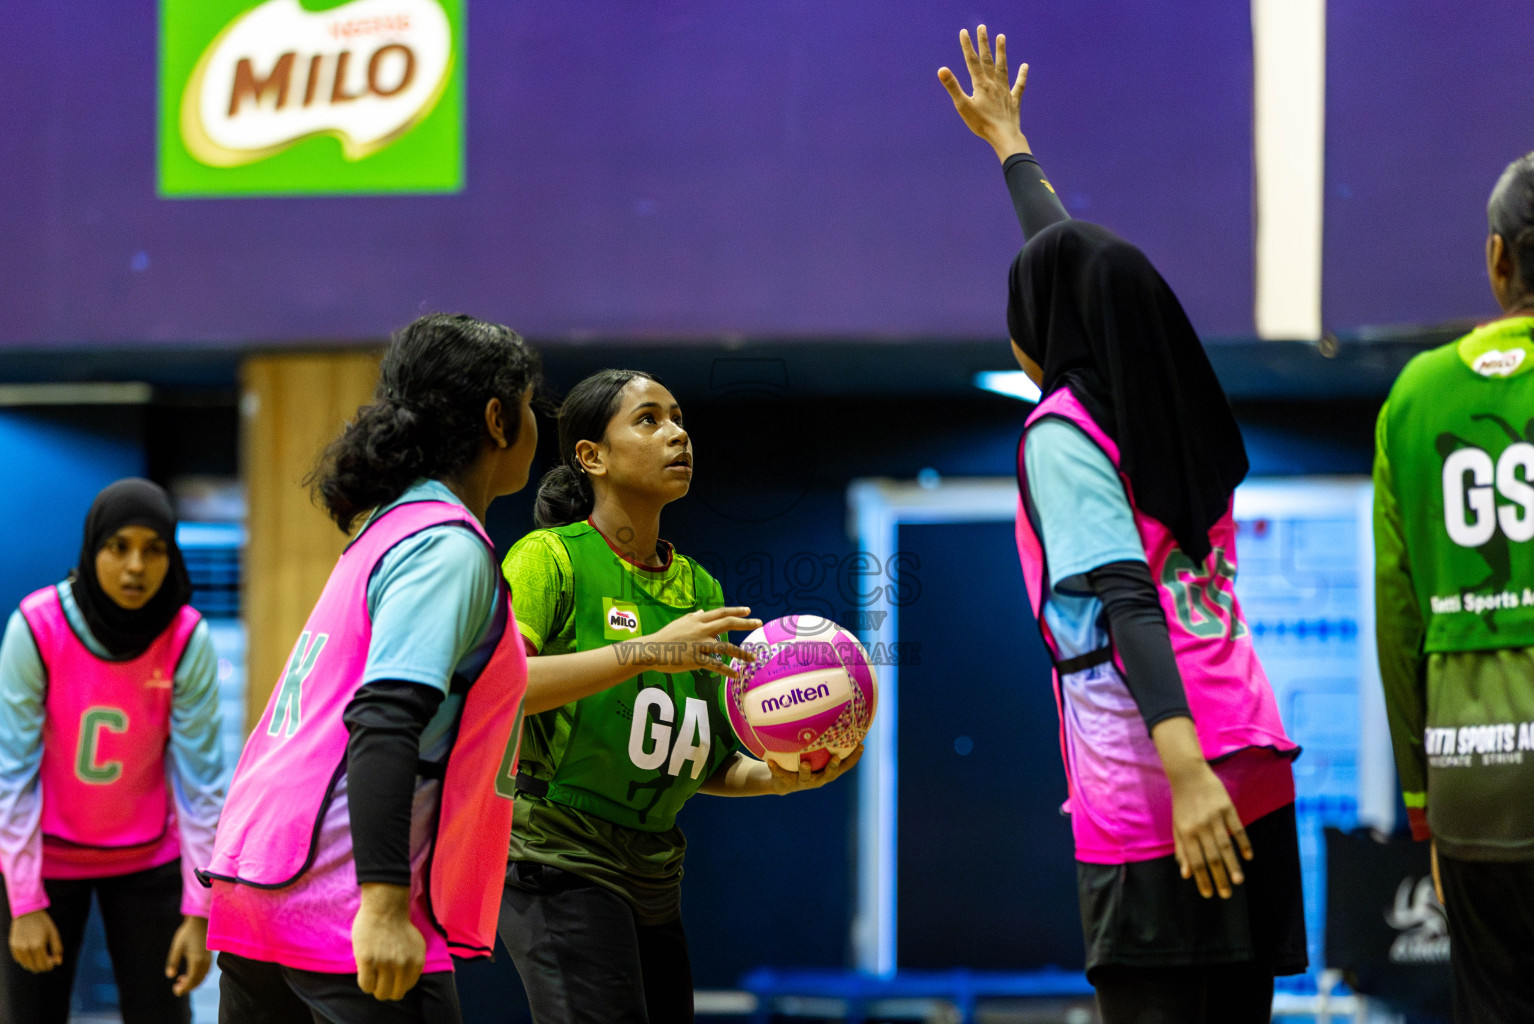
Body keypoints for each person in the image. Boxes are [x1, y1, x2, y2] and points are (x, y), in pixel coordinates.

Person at [940, 26, 1307, 1023]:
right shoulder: (1173, 405)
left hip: (1159, 786)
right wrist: (1012, 149)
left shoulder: (1061, 432)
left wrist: (1182, 775)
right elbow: (1084, 270)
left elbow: (1125, 599)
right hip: (1251, 756)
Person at [202, 313, 540, 1024]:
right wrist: (383, 906)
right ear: (497, 419)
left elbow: (479, 701)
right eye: (531, 403)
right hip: (340, 894)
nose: (538, 422)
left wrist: (640, 657)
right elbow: (385, 719)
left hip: (258, 874)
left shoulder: (388, 528)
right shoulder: (446, 547)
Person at [498, 368, 861, 1024]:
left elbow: (709, 761)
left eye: (679, 418)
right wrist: (647, 650)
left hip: (654, 872)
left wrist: (782, 779)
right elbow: (501, 691)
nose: (678, 434)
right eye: (649, 419)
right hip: (558, 855)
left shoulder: (701, 590)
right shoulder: (547, 559)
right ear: (593, 456)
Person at [1374, 152, 1534, 1024]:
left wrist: (1421, 802)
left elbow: (1398, 621)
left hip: (1473, 779)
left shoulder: (1415, 396)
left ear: (1497, 260)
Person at [0, 478, 225, 1024]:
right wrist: (24, 901)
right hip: (45, 860)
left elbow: (203, 788)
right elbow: (13, 776)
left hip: (148, 860)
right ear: (92, 548)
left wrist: (200, 914)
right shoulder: (37, 626)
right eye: (118, 546)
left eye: (154, 550)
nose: (135, 567)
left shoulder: (186, 638)